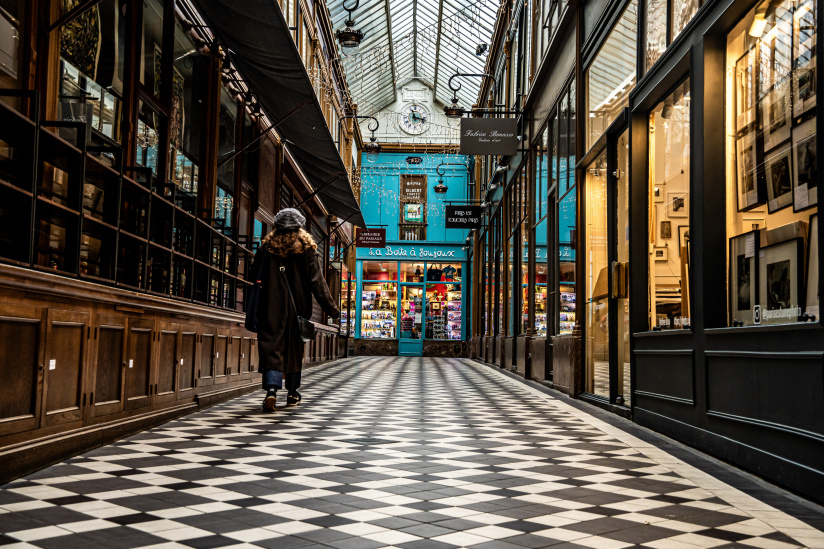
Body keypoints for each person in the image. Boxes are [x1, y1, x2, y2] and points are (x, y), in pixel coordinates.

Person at [250, 208, 340, 413]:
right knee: (294, 349)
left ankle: (271, 391)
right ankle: (292, 393)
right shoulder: (306, 248)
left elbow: (253, 274)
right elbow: (317, 282)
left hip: (270, 307)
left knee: (271, 347)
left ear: (276, 227)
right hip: (298, 308)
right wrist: (332, 309)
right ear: (300, 227)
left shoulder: (266, 248)